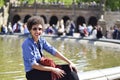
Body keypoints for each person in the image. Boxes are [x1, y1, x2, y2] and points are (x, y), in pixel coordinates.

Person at [21, 16, 79, 80]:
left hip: (43, 68)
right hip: (33, 73)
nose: (37, 31)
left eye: (39, 29)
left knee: (70, 68)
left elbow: (53, 51)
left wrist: (69, 62)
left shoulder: (41, 40)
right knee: (60, 73)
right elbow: (33, 65)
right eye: (34, 29)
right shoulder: (27, 44)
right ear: (30, 30)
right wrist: (53, 69)